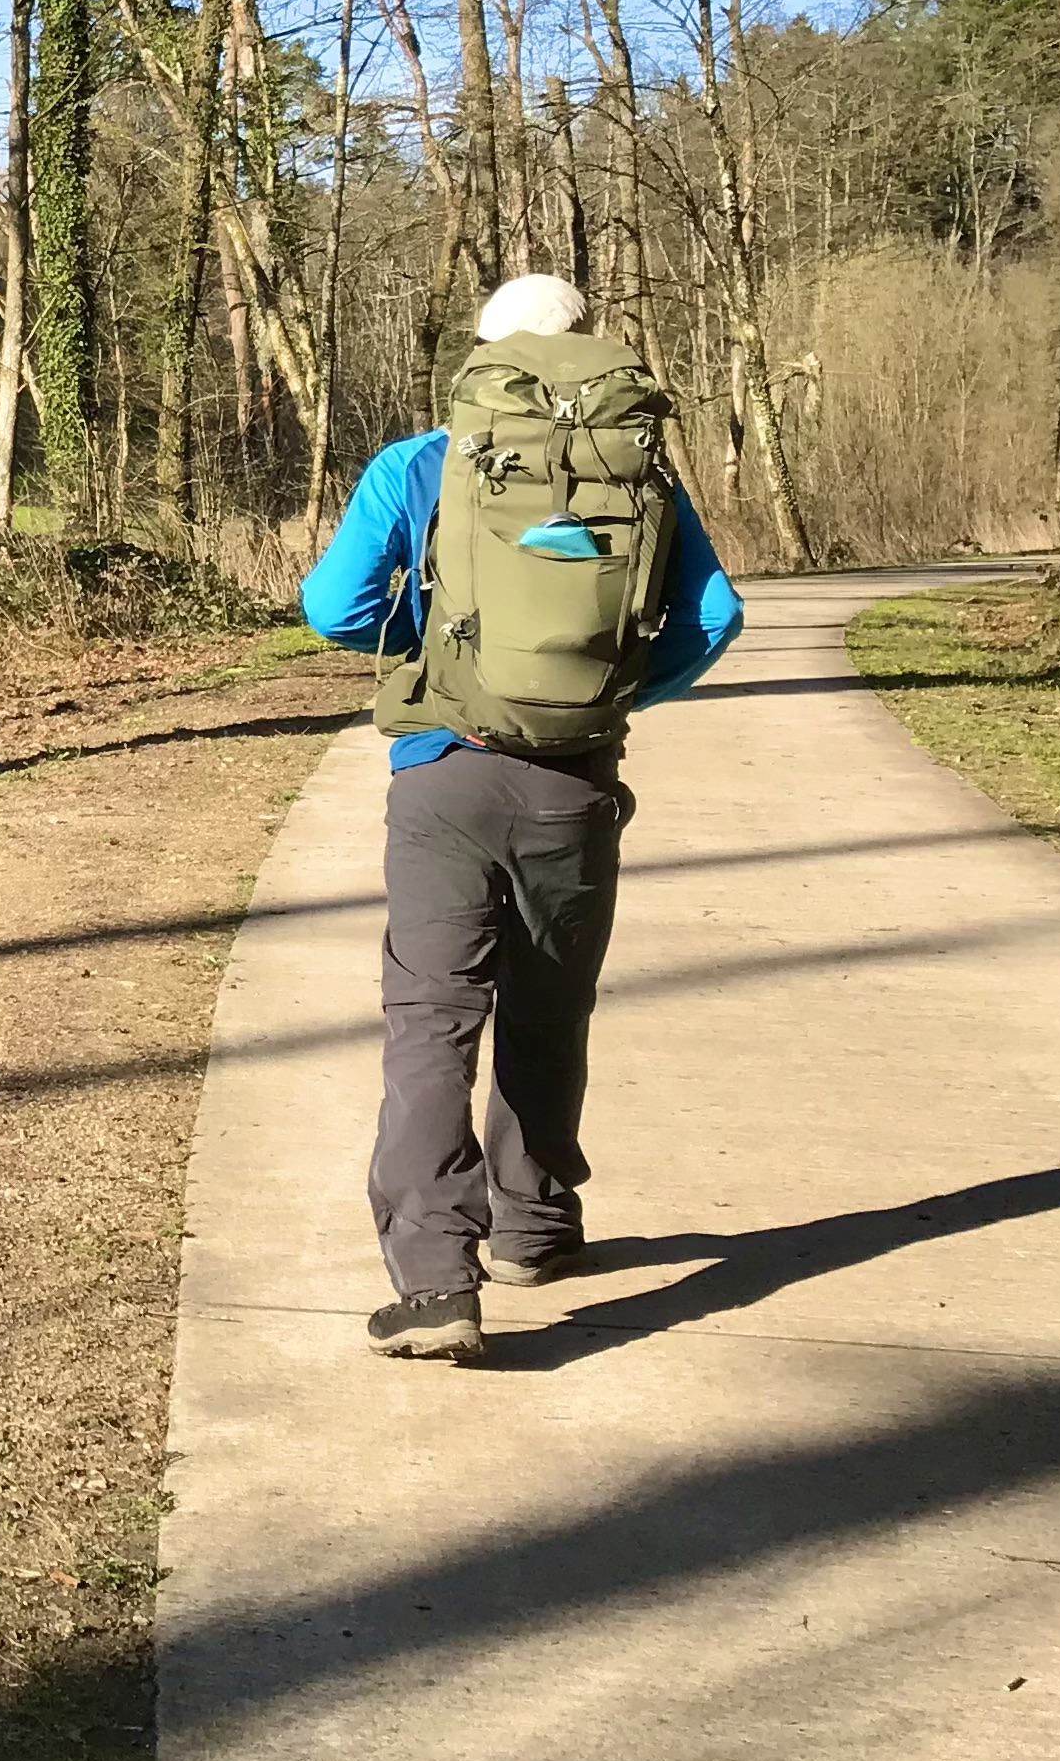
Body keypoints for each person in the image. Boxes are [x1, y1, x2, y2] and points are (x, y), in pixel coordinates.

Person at [299, 274, 748, 1363]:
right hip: (576, 786)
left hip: (444, 774)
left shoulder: (419, 465)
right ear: (585, 355)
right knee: (549, 1012)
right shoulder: (636, 472)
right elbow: (717, 616)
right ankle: (535, 1229)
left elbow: (332, 609)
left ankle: (435, 1284)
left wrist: (427, 651)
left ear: (487, 360)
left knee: (431, 1024)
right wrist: (610, 695)